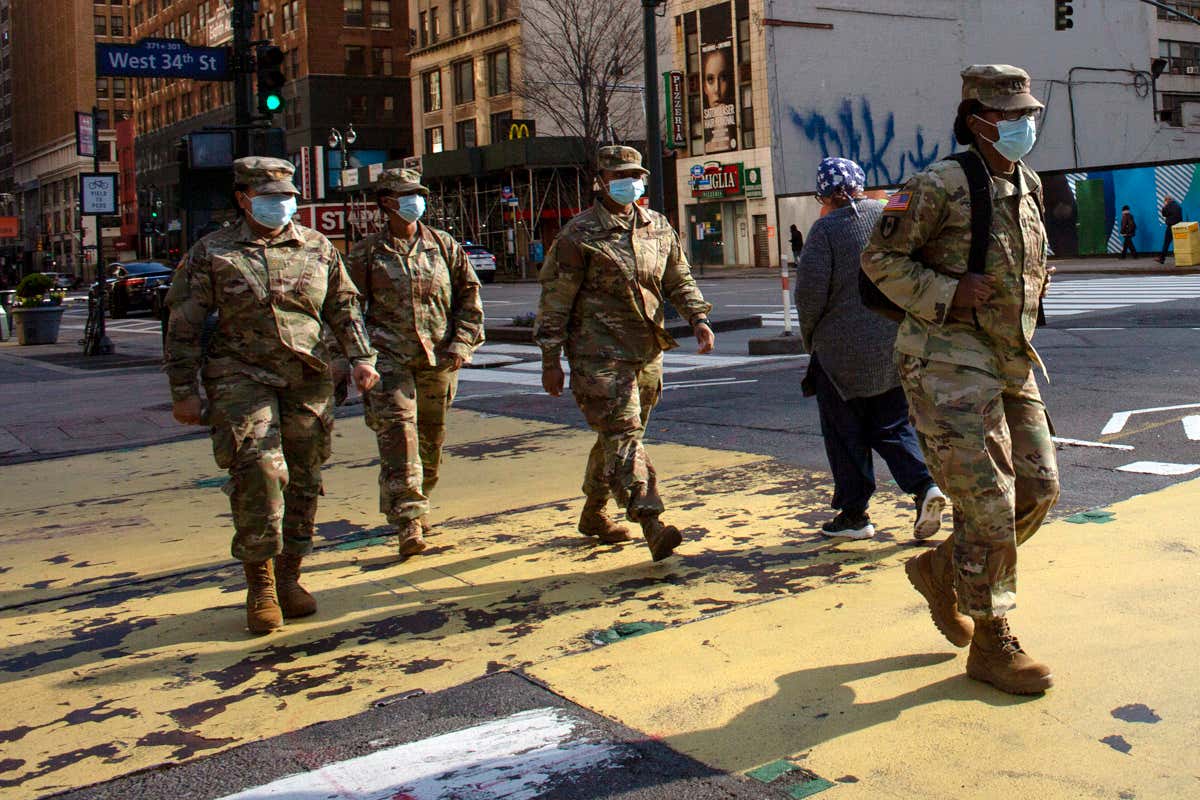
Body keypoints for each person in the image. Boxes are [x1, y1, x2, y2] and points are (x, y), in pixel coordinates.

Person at [861, 65, 1059, 695]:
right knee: (989, 502)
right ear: (979, 121)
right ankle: (992, 637)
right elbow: (879, 259)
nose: (1026, 125)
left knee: (1040, 487)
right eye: (1013, 117)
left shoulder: (1024, 182)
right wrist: (949, 290)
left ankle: (945, 569)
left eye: (1031, 115)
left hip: (1008, 358)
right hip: (945, 360)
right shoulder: (939, 184)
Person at [165, 157, 380, 634]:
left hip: (309, 375)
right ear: (243, 199)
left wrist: (363, 358)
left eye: (286, 196)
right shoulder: (213, 252)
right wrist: (184, 391)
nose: (280, 205)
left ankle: (290, 575)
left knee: (304, 476)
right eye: (269, 197)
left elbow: (343, 306)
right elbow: (183, 326)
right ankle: (259, 581)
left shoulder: (318, 247)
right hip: (240, 376)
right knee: (259, 470)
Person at [535, 145, 714, 561]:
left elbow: (677, 278)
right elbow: (555, 301)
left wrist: (698, 318)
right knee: (624, 435)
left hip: (647, 350)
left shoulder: (657, 226)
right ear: (600, 181)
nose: (628, 182)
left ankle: (594, 512)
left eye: (634, 174)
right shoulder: (578, 235)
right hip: (598, 355)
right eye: (618, 175)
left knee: (619, 438)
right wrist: (550, 358)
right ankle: (650, 521)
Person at [797, 157, 946, 542]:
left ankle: (854, 514)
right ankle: (924, 486)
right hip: (893, 343)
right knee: (893, 425)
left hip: (840, 354)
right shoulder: (885, 214)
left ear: (823, 194)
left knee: (845, 434)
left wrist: (809, 338)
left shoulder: (825, 231)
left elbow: (810, 295)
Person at [347, 168, 484, 557]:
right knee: (399, 438)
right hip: (387, 361)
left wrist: (461, 344)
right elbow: (347, 308)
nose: (415, 202)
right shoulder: (367, 253)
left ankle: (419, 501)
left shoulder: (443, 245)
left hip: (437, 359)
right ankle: (408, 520)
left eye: (418, 194)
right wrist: (358, 356)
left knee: (430, 441)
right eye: (407, 195)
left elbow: (469, 297)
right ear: (387, 203)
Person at [1157, 194, 1183, 263]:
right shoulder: (1178, 206)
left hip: (1171, 227)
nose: (1164, 202)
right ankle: (1182, 258)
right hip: (1179, 227)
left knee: (1166, 243)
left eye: (1165, 200)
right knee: (1179, 243)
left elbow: (1164, 214)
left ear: (1167, 200)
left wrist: (1164, 206)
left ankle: (1162, 259)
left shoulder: (1168, 206)